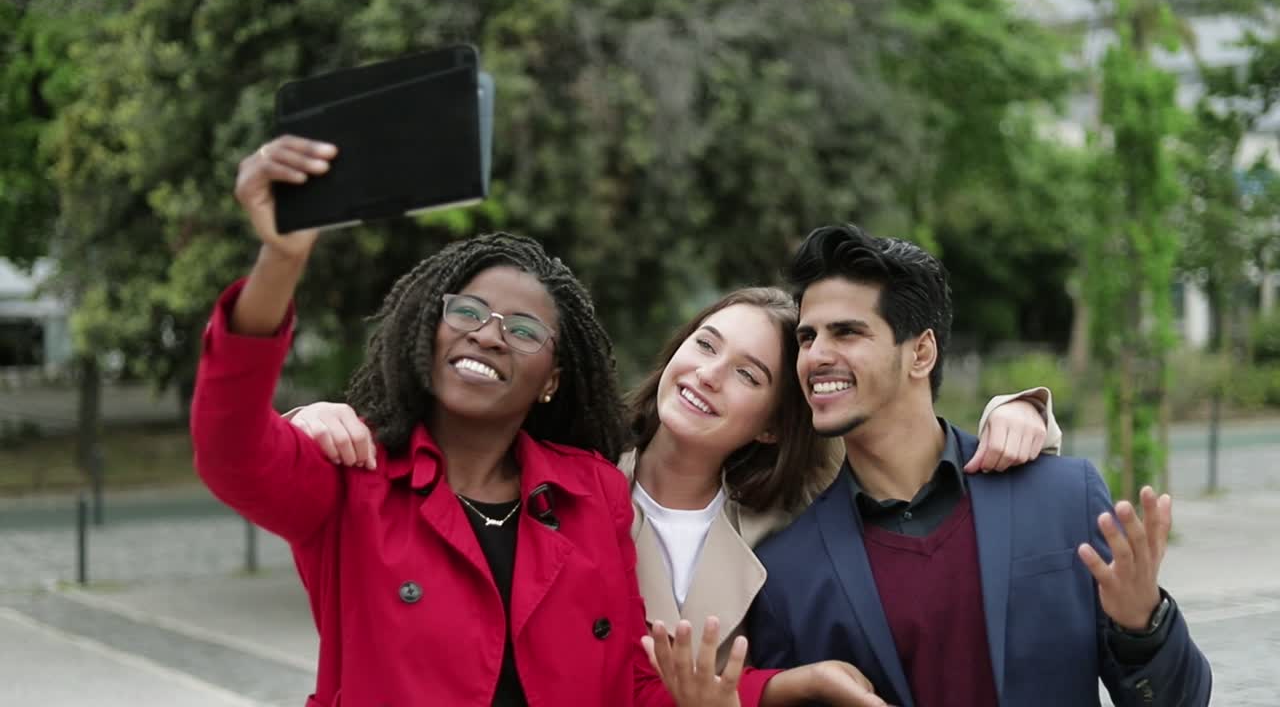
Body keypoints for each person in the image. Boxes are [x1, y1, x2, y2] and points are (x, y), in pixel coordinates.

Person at [192, 135, 770, 707]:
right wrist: (282, 259)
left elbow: (629, 682)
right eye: (466, 312)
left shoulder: (593, 493)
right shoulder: (353, 471)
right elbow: (231, 453)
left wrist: (774, 690)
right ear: (429, 331)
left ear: (551, 380)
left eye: (522, 331)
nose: (488, 334)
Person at [289, 287, 1060, 703]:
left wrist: (1019, 414)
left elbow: (904, 458)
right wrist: (308, 420)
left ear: (770, 427)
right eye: (704, 345)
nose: (707, 375)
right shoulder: (569, 475)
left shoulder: (791, 520)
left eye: (750, 376)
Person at [745, 225, 1213, 707]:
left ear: (921, 353)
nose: (816, 355)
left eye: (846, 332)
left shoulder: (1064, 499)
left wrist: (1144, 625)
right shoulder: (786, 574)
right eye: (806, 337)